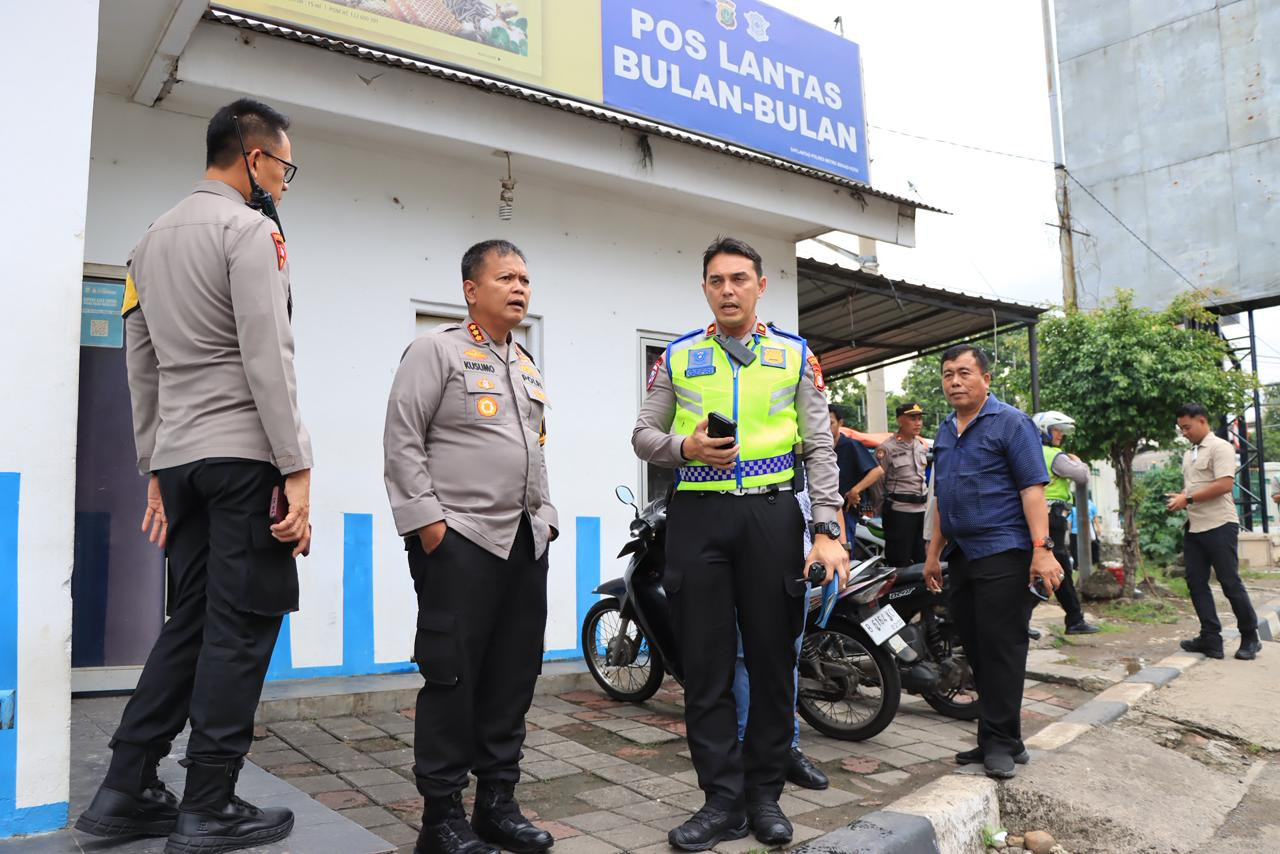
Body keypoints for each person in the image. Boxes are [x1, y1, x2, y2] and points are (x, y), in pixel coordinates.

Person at [76, 98, 311, 853]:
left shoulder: (146, 246)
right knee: (242, 627)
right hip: (244, 456)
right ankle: (209, 802)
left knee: (196, 619)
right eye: (284, 164)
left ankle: (126, 784)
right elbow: (266, 358)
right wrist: (297, 466)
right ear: (253, 158)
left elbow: (138, 366)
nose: (284, 179)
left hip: (181, 460)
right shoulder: (250, 231)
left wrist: (154, 465)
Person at [633, 237, 849, 850]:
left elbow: (819, 447)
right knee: (704, 667)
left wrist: (827, 528)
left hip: (772, 515)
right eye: (716, 280)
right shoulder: (677, 357)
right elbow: (644, 434)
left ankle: (764, 797)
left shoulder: (795, 356)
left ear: (760, 286)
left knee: (773, 660)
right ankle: (721, 801)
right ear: (704, 288)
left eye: (738, 279)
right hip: (697, 516)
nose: (727, 289)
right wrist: (685, 449)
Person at [383, 240, 556, 854]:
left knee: (513, 676)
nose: (519, 287)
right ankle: (442, 819)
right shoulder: (436, 351)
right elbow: (403, 439)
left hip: (523, 543)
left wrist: (549, 519)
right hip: (461, 541)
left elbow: (535, 448)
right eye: (506, 276)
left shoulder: (527, 364)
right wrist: (429, 525)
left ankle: (496, 805)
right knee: (452, 677)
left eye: (525, 279)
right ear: (470, 289)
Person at [923, 345, 1063, 780]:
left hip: (1005, 549)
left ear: (986, 378)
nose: (955, 382)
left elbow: (1031, 489)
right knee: (978, 647)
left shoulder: (1011, 423)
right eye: (948, 375)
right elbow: (943, 496)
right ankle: (1002, 738)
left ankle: (999, 743)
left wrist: (1042, 549)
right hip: (963, 554)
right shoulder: (946, 431)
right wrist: (932, 552)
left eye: (964, 373)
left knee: (1002, 648)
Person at [730, 488, 840, 792]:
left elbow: (830, 496)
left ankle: (787, 748)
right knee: (742, 657)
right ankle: (743, 747)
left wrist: (836, 543)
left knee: (787, 658)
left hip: (799, 566)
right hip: (749, 559)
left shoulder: (811, 461)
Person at [1168, 403, 1261, 661]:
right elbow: (1195, 488)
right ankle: (1211, 639)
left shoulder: (1221, 447)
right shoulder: (1190, 453)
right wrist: (1182, 496)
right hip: (1195, 527)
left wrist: (1187, 499)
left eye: (1187, 427)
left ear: (1202, 421)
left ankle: (1250, 636)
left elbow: (1224, 485)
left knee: (1229, 582)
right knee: (1196, 583)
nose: (1184, 432)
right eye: (1181, 428)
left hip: (1220, 525)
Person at [1031, 412, 1099, 635]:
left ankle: (1073, 618)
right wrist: (1079, 462)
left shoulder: (1029, 452)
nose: (1059, 435)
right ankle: (1073, 619)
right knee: (1058, 568)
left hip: (1036, 516)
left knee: (1051, 569)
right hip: (1052, 518)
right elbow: (1081, 476)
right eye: (1056, 430)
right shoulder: (1054, 455)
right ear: (1044, 431)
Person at [853, 402, 930, 567]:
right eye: (912, 418)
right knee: (898, 560)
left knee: (922, 557)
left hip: (922, 510)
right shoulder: (887, 448)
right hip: (900, 511)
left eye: (919, 418)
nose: (918, 422)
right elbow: (877, 482)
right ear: (900, 420)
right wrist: (883, 507)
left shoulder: (920, 445)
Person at [829, 404, 879, 540]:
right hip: (823, 510)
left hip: (846, 510)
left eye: (831, 423)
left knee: (845, 550)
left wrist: (855, 490)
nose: (826, 428)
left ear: (840, 423)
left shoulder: (851, 445)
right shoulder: (818, 448)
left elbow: (877, 471)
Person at [1068, 499, 1102, 568]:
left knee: (1075, 549)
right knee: (1089, 547)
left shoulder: (1073, 509)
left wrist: (1070, 531)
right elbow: (1095, 517)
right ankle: (1092, 562)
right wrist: (1098, 528)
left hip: (1075, 532)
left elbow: (1069, 522)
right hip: (1087, 531)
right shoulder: (1091, 505)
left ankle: (1077, 565)